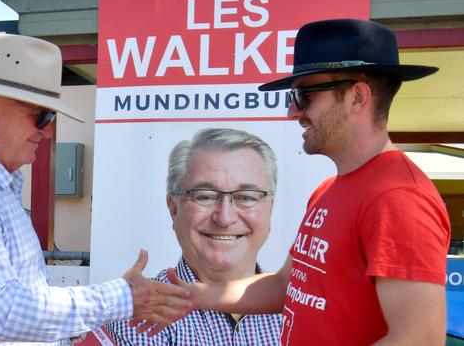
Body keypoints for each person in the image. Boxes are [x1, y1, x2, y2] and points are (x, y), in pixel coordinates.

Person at [166, 19, 451, 345]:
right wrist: (190, 294)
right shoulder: (329, 190)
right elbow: (287, 286)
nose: (292, 111)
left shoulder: (398, 197)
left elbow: (420, 339)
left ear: (356, 97)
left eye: (303, 95)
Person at [0, 34, 190, 345]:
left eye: (51, 117)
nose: (48, 130)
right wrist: (122, 298)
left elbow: (28, 296)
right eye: (41, 115)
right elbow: (5, 312)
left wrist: (79, 327)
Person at [106, 128, 281, 345]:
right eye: (205, 197)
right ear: (173, 208)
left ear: (270, 208)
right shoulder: (140, 315)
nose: (225, 218)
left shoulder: (303, 307)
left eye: (246, 197)